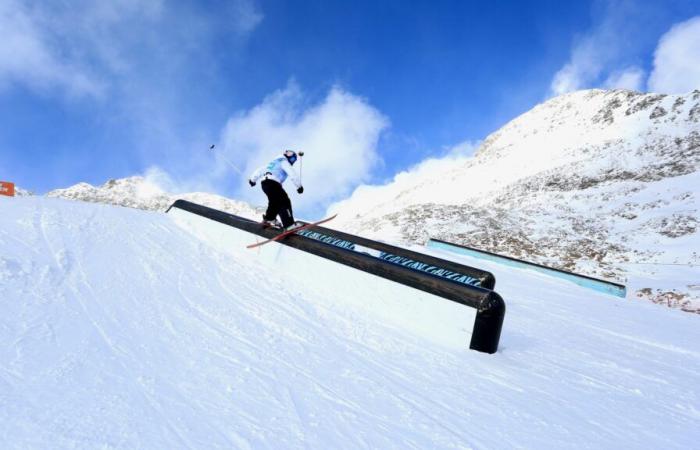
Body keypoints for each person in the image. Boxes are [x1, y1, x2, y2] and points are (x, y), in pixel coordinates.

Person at [248, 150, 304, 230]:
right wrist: (299, 186)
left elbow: (260, 170)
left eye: (293, 159)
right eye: (291, 157)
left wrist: (252, 180)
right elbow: (292, 173)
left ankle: (270, 219)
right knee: (284, 201)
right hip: (273, 183)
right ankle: (289, 224)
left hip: (265, 184)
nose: (292, 160)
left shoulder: (273, 162)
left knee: (275, 201)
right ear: (286, 154)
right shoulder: (284, 162)